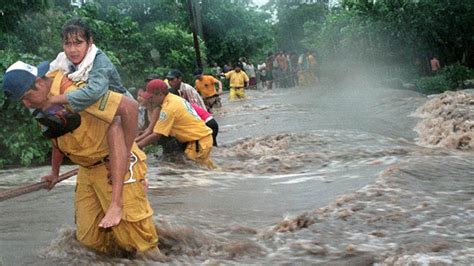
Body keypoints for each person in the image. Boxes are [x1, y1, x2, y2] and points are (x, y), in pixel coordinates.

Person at [2, 61, 162, 259]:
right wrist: (55, 173)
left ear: (39, 82)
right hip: (87, 169)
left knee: (138, 240)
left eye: (27, 97)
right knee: (90, 243)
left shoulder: (78, 91)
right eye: (22, 101)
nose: (26, 104)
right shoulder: (38, 104)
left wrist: (123, 156)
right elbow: (57, 138)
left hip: (113, 162)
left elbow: (129, 107)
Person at [43, 18, 137, 228]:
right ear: (62, 45)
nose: (73, 49)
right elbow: (57, 131)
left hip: (121, 113)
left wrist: (55, 99)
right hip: (96, 120)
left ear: (90, 42)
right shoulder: (62, 64)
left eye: (78, 43)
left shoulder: (99, 60)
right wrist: (55, 173)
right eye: (68, 44)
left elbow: (95, 91)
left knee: (114, 125)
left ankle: (118, 194)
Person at [137, 80, 216, 169]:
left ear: (160, 94)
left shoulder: (168, 108)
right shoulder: (174, 98)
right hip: (203, 139)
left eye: (151, 97)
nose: (150, 100)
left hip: (198, 142)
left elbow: (156, 134)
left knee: (193, 174)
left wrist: (135, 147)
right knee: (207, 170)